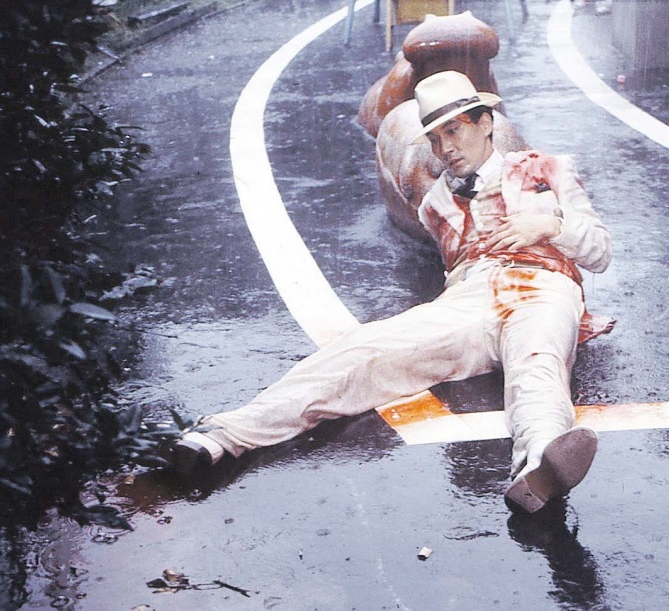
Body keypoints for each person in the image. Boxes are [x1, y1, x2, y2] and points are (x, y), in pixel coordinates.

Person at [169, 71, 613, 513]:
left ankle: (539, 466)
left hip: (544, 286)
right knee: (365, 349)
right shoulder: (436, 203)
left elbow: (600, 252)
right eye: (434, 139)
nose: (445, 148)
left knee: (537, 363)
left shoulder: (548, 169)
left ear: (486, 123)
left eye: (454, 131)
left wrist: (549, 225)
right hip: (471, 298)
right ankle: (223, 435)